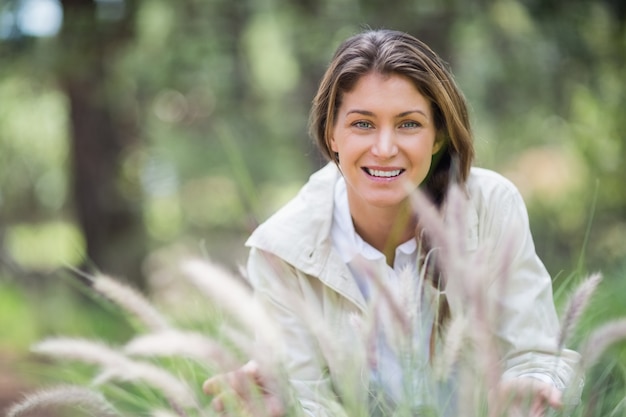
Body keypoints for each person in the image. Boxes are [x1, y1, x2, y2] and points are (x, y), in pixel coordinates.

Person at [203, 29, 582, 417]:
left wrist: (534, 390)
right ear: (332, 133)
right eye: (363, 124)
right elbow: (309, 401)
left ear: (437, 136)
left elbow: (535, 356)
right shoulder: (281, 253)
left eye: (409, 124)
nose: (384, 149)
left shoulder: (489, 207)